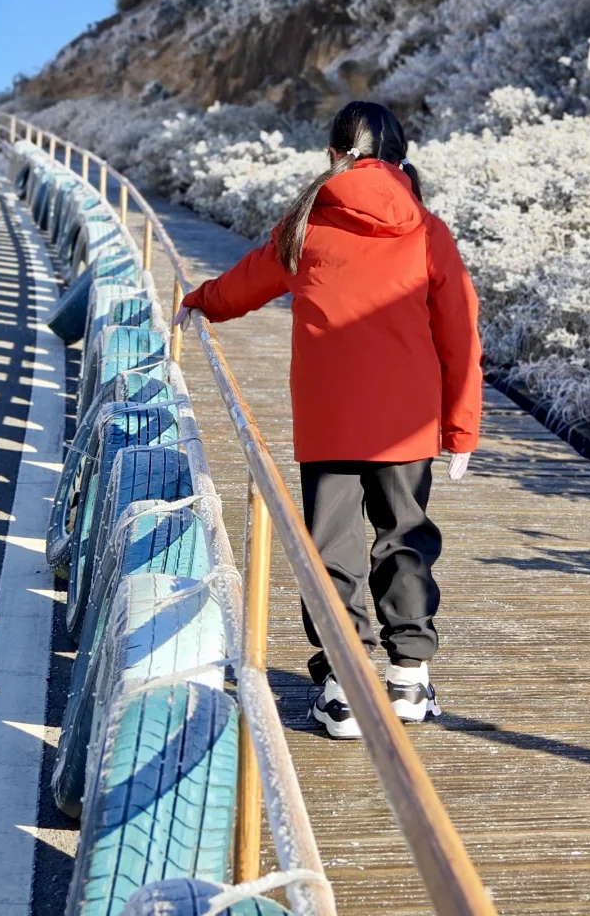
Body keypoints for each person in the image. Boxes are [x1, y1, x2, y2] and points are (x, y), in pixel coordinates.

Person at [176, 100, 482, 739]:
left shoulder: (308, 222)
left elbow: (248, 282)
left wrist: (199, 301)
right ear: (400, 158)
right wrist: (460, 429)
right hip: (408, 425)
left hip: (330, 420)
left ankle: (342, 689)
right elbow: (460, 335)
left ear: (335, 155)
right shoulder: (429, 231)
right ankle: (409, 681)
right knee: (406, 537)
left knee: (331, 548)